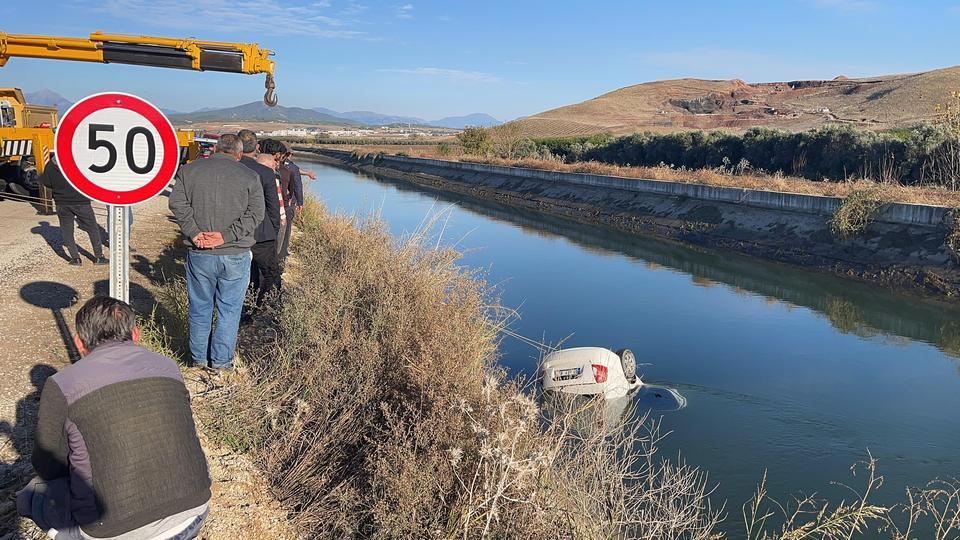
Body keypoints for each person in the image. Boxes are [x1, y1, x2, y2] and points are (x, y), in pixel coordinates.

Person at [17, 296, 212, 539]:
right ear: (136, 334)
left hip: (111, 530)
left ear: (79, 343)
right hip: (194, 512)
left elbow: (47, 464)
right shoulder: (169, 366)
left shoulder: (61, 384)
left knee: (31, 495)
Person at [169, 133, 264, 369]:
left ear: (215, 149)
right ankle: (221, 363)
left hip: (200, 253)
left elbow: (177, 203)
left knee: (200, 307)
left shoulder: (189, 171)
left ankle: (198, 359)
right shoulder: (250, 176)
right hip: (234, 253)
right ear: (239, 154)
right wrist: (226, 236)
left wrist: (194, 232)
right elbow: (256, 214)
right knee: (229, 311)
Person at [37, 157, 107, 266]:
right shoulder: (77, 160)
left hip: (61, 203)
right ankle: (99, 257)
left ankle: (75, 259)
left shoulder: (50, 164)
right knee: (92, 228)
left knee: (67, 231)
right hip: (81, 201)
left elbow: (46, 182)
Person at [240, 136, 283, 309]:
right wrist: (273, 230)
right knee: (269, 272)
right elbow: (273, 206)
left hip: (233, 232)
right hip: (262, 233)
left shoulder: (231, 168)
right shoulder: (265, 172)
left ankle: (246, 307)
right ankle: (265, 306)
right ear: (256, 147)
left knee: (244, 272)